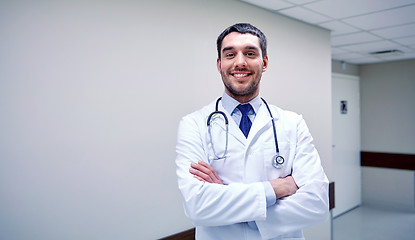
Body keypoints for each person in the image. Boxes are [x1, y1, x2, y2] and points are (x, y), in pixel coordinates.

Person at [175, 23, 329, 240]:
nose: (240, 62)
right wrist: (277, 189)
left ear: (264, 62)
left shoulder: (292, 123)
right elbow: (197, 207)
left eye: (250, 53)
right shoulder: (194, 124)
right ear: (219, 64)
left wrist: (228, 202)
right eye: (230, 54)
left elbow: (317, 204)